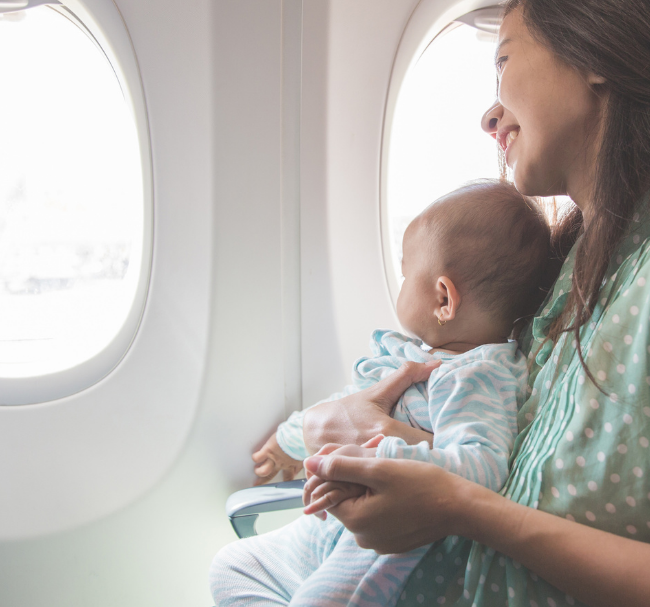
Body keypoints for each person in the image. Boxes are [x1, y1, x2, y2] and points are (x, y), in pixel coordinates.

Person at [292, 0, 650, 606]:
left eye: (504, 61)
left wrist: (463, 509)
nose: (490, 113)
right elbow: (519, 473)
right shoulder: (567, 280)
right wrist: (380, 442)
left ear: (595, 55)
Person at [209, 181, 561, 607]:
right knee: (233, 566)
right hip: (331, 522)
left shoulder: (477, 375)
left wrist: (387, 455)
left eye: (407, 273)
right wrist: (289, 440)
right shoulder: (414, 355)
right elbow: (350, 404)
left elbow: (481, 467)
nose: (401, 282)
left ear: (443, 298)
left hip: (385, 541)